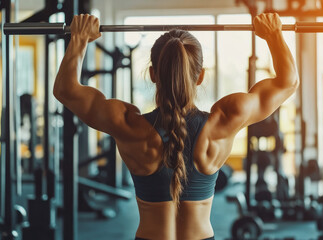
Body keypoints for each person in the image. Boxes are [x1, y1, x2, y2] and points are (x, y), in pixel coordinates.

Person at [53, 12, 298, 240]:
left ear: (152, 74)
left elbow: (66, 89)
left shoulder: (127, 123)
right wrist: (274, 34)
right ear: (200, 75)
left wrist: (80, 38)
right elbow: (288, 81)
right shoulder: (224, 120)